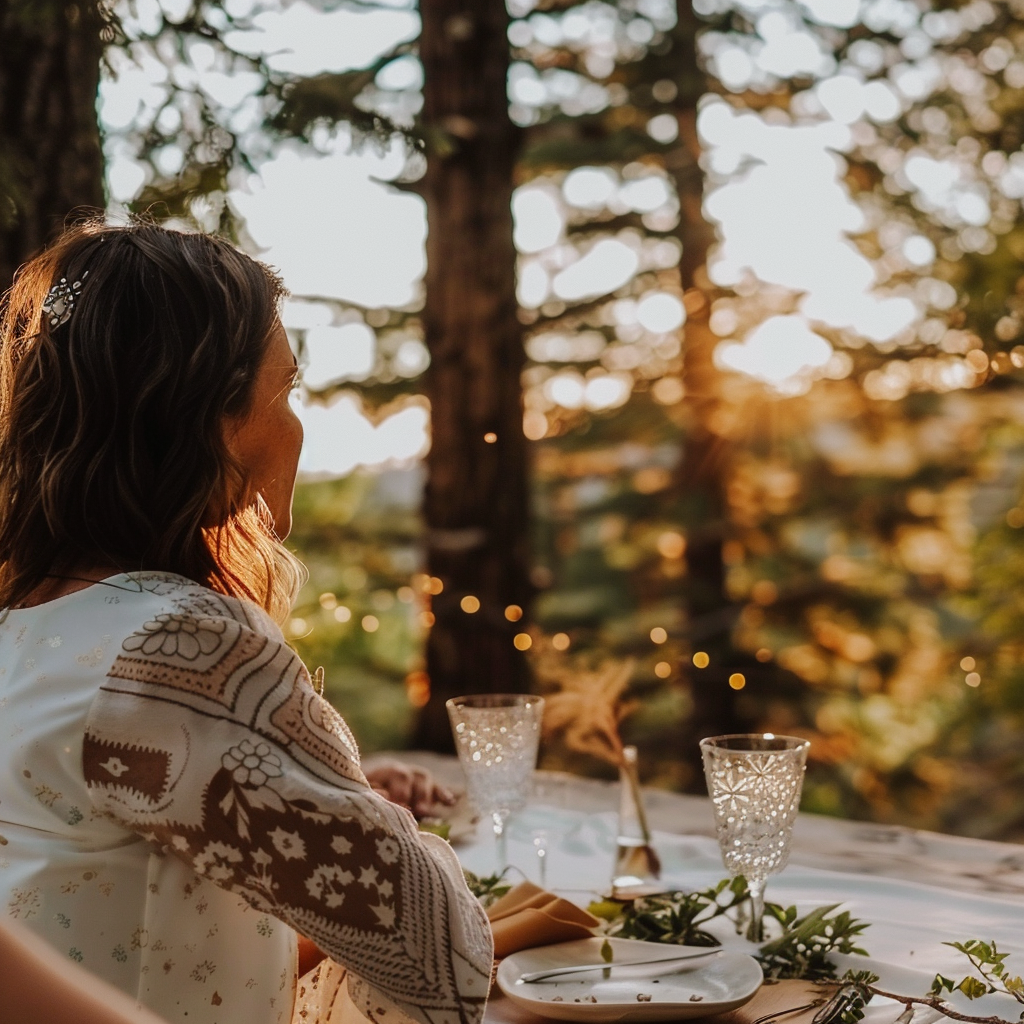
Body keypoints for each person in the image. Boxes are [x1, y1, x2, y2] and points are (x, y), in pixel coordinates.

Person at [0, 221, 493, 1024]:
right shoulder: (180, 651)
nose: (297, 424)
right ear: (204, 417)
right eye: (287, 390)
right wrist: (379, 820)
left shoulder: (21, 626)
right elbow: (436, 949)